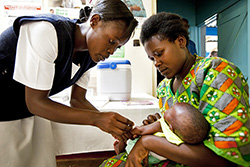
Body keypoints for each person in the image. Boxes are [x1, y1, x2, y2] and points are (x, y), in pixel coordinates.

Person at [101, 12, 250, 167]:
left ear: (181, 41)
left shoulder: (216, 72)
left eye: (159, 54)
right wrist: (158, 123)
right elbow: (177, 132)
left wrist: (149, 142)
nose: (156, 63)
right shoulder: (164, 88)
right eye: (152, 58)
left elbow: (227, 158)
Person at [0, 0, 138, 167]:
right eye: (111, 41)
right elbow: (35, 102)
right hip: (6, 109)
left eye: (117, 47)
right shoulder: (47, 31)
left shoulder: (89, 55)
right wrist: (97, 119)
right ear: (94, 21)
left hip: (30, 110)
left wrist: (113, 127)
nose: (111, 51)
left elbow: (77, 100)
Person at [100, 102, 210, 166]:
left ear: (170, 127)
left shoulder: (163, 125)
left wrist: (130, 132)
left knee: (131, 143)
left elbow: (140, 131)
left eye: (171, 111)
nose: (168, 110)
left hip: (147, 155)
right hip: (162, 158)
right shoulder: (180, 135)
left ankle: (123, 148)